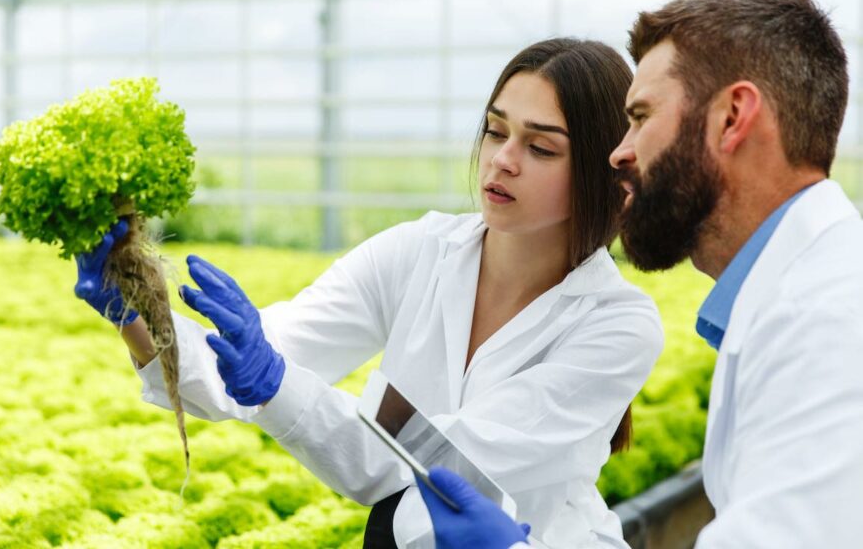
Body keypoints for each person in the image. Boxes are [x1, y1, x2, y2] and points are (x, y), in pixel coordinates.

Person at [74, 38, 664, 548]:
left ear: (599, 169)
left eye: (540, 148)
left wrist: (280, 384)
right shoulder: (418, 252)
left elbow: (444, 468)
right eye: (494, 130)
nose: (502, 161)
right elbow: (252, 367)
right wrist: (139, 313)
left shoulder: (616, 325)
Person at [414, 0, 863, 548]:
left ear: (732, 118)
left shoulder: (825, 325)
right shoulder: (799, 295)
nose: (618, 153)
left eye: (641, 117)